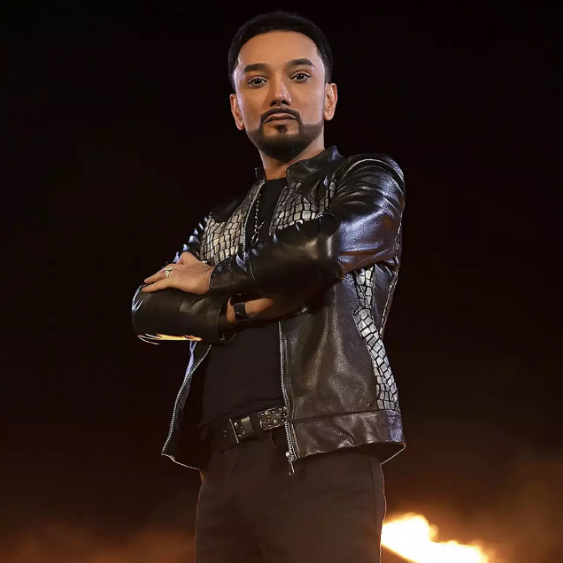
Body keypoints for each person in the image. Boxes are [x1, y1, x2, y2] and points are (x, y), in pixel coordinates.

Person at [132, 10, 406, 563]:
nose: (279, 93)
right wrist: (232, 312)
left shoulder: (365, 179)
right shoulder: (220, 219)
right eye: (257, 80)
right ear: (238, 109)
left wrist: (214, 278)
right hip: (222, 469)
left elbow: (326, 247)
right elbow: (147, 308)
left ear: (329, 99)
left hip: (323, 453)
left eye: (299, 76)